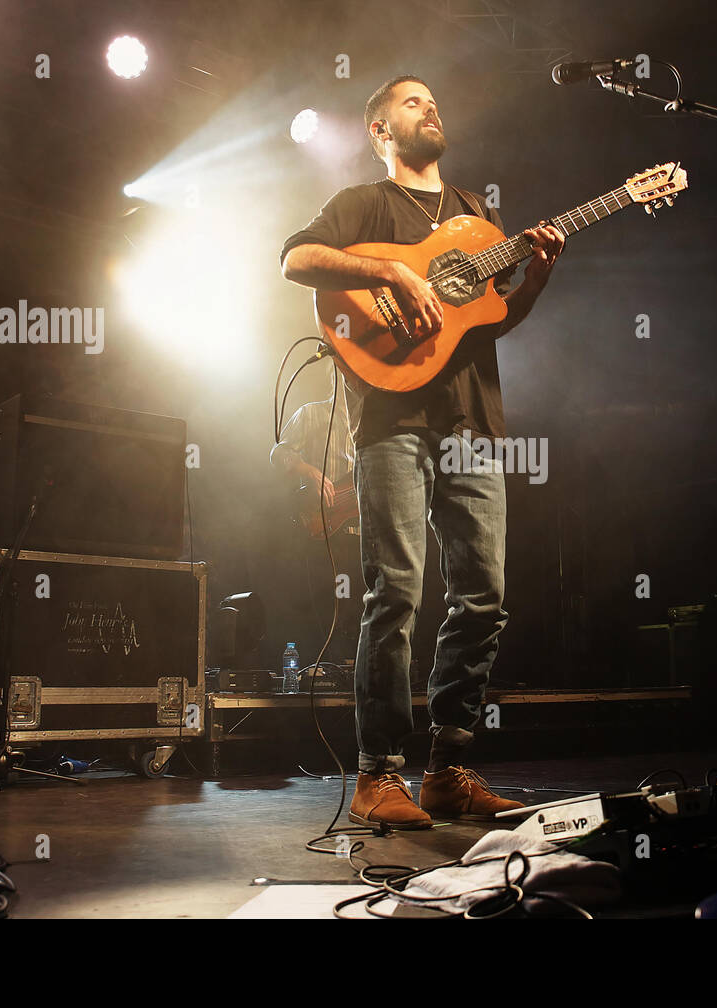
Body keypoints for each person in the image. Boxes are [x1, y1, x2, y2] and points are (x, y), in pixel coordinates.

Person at [280, 75, 565, 828]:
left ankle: (449, 769)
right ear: (379, 130)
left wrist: (535, 278)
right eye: (411, 102)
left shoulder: (477, 215)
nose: (430, 106)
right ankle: (378, 773)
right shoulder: (362, 206)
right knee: (396, 591)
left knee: (484, 596)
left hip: (472, 419)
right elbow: (296, 261)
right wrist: (389, 269)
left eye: (436, 99)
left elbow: (485, 319)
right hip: (390, 418)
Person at [271, 370, 359, 662]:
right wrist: (309, 470)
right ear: (337, 378)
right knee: (329, 610)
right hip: (325, 528)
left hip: (364, 533)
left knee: (362, 610)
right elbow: (278, 453)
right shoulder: (311, 414)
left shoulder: (371, 427)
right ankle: (321, 673)